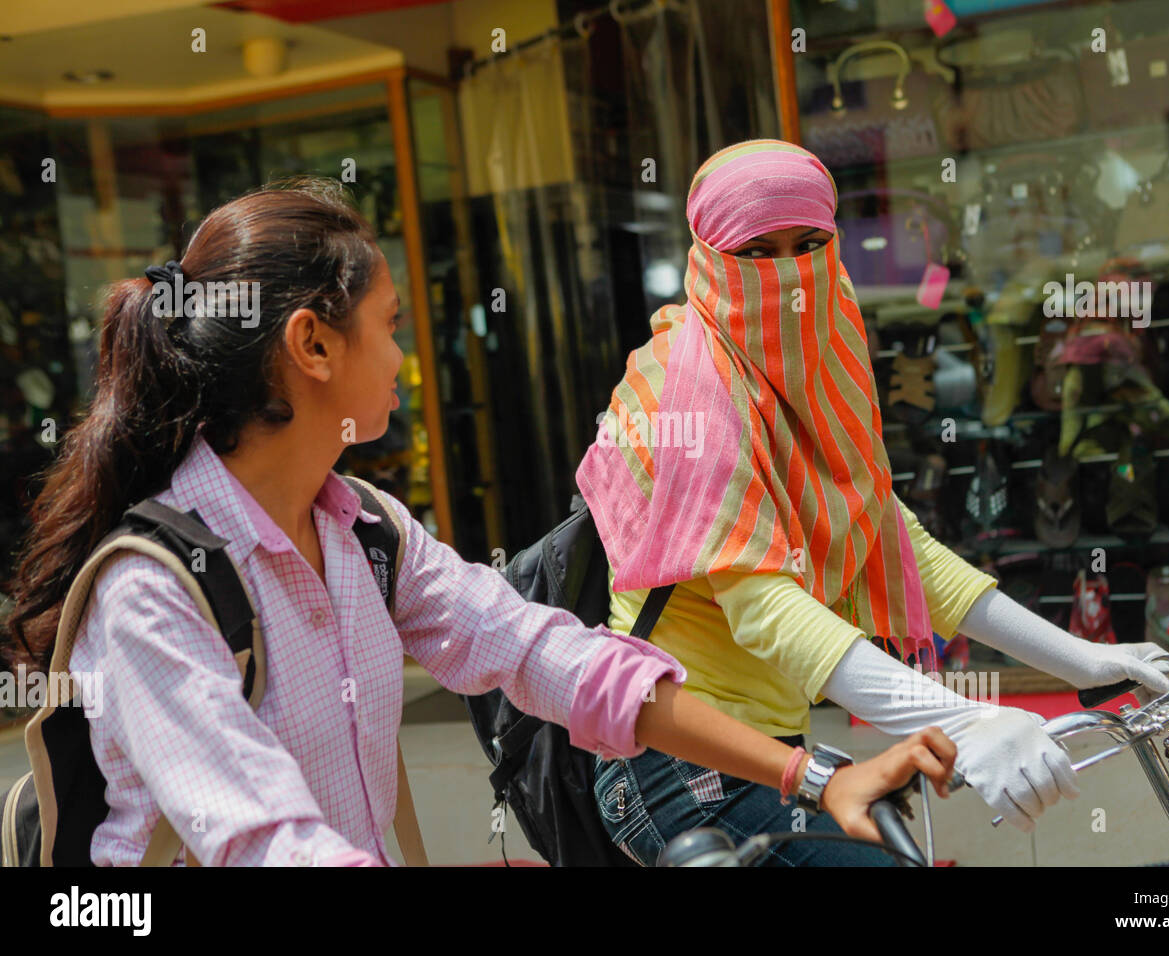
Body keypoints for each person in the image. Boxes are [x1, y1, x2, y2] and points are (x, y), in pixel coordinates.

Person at [0, 177, 956, 867]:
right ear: (313, 345)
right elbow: (265, 841)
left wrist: (812, 776)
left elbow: (549, 655)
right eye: (391, 324)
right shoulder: (151, 597)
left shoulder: (363, 531)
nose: (406, 359)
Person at [577, 140, 1169, 866]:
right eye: (758, 252)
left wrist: (1081, 659)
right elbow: (764, 606)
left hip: (778, 747)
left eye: (809, 245)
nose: (791, 275)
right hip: (678, 765)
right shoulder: (683, 386)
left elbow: (892, 540)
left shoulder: (822, 349)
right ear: (709, 256)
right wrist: (973, 719)